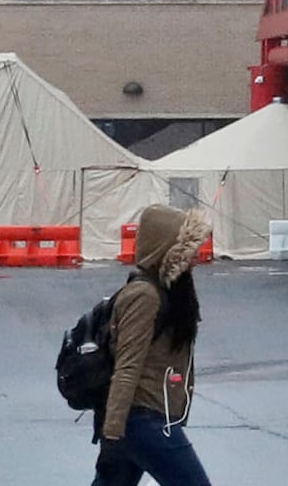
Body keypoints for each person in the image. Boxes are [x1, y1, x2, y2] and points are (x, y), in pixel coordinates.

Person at [94, 205, 212, 486]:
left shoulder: (171, 291)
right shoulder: (144, 296)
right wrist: (112, 435)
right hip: (141, 420)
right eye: (188, 250)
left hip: (143, 420)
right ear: (167, 251)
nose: (196, 257)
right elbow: (127, 367)